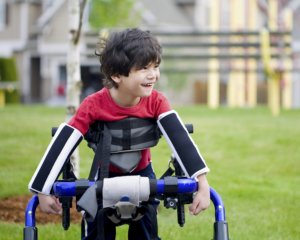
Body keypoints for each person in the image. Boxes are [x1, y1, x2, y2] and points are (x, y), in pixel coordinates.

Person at [28, 28, 210, 240]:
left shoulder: (156, 101)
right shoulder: (93, 105)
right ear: (116, 75)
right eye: (144, 68)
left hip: (143, 175)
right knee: (98, 233)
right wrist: (42, 189)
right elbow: (65, 140)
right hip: (104, 178)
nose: (153, 74)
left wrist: (202, 184)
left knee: (146, 233)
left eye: (156, 66)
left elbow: (181, 140)